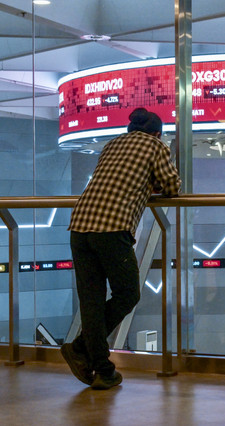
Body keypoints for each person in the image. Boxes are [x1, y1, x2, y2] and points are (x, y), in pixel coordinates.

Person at [61, 108, 181, 390]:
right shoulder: (155, 146)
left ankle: (102, 370)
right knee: (127, 294)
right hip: (112, 229)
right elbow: (172, 186)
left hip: (80, 226)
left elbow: (115, 179)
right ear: (156, 133)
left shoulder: (112, 144)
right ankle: (80, 349)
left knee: (91, 301)